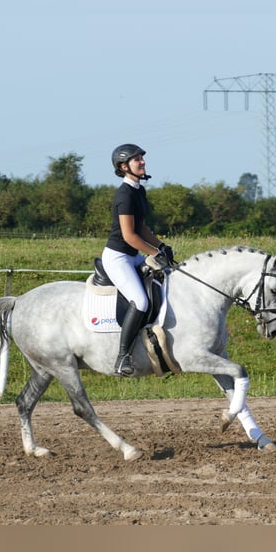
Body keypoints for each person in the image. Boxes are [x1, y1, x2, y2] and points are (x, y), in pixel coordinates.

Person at [101, 143, 174, 377]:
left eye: (142, 158)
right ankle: (123, 357)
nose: (142, 161)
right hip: (119, 257)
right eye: (137, 159)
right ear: (124, 167)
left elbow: (141, 227)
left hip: (132, 255)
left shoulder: (138, 191)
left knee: (165, 280)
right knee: (140, 301)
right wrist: (153, 253)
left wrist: (160, 245)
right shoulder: (124, 195)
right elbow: (129, 235)